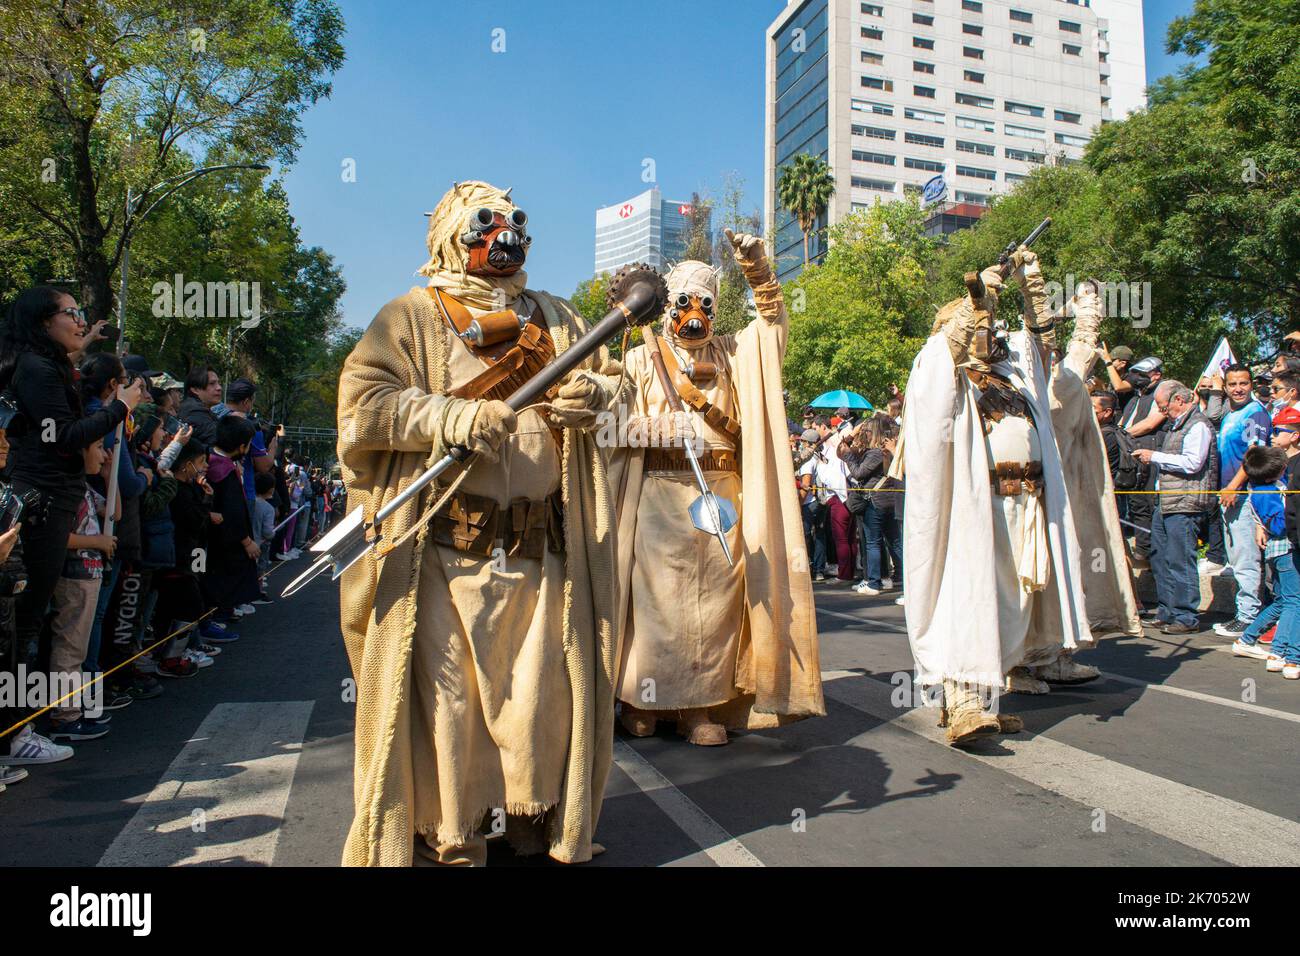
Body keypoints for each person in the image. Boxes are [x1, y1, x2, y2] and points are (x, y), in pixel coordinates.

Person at [334, 180, 622, 866]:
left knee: (539, 700)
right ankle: (454, 831)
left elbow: (615, 382)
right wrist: (446, 416)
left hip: (541, 555)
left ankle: (532, 819)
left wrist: (595, 394)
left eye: (514, 223)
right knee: (452, 704)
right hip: (445, 555)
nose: (505, 236)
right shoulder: (408, 315)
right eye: (484, 224)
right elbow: (361, 406)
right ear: (450, 238)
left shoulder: (556, 316)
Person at [610, 230, 822, 747]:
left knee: (715, 603)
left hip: (723, 492)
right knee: (657, 600)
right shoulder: (640, 357)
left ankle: (700, 709)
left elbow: (771, 332)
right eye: (684, 302)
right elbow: (607, 425)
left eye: (705, 303)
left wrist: (759, 272)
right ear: (668, 308)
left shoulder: (731, 353)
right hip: (660, 493)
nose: (694, 313)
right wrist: (651, 430)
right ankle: (644, 700)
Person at [897, 248, 1091, 745]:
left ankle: (985, 698)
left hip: (1024, 505)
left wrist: (1033, 285)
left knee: (1012, 604)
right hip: (971, 511)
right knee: (970, 598)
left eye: (988, 321)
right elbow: (944, 358)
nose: (985, 328)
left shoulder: (1015, 377)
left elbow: (1044, 351)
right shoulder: (941, 371)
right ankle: (961, 702)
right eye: (976, 320)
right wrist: (976, 301)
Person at [0, 287, 145, 769]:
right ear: (43, 322)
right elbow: (64, 437)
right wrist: (119, 407)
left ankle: (22, 726)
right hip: (42, 506)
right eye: (72, 314)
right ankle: (15, 733)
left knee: (33, 623)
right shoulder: (36, 370)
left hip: (54, 501)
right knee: (24, 627)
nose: (81, 321)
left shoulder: (45, 364)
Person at [1042, 280, 1142, 654]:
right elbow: (1084, 342)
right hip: (1047, 501)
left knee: (1057, 579)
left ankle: (1047, 655)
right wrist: (1087, 302)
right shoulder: (1057, 386)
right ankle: (1047, 655)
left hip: (1054, 498)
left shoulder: (1050, 385)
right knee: (1057, 579)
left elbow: (1082, 345)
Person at [1132, 381, 1218, 634]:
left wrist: (1154, 456)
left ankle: (1186, 616)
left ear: (1179, 400)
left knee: (1181, 560)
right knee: (1161, 557)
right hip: (1167, 500)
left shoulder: (1198, 425)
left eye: (1163, 406)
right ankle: (1167, 610)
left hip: (1185, 503)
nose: (1162, 412)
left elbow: (1193, 463)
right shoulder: (1177, 425)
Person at [46, 437, 113, 742]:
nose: (103, 453)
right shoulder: (66, 488)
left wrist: (110, 475)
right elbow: (58, 536)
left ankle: (79, 706)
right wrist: (96, 542)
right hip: (74, 573)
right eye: (98, 447)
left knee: (79, 648)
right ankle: (65, 717)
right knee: (69, 648)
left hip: (91, 572)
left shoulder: (86, 487)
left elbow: (114, 514)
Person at [1211, 364, 1273, 638]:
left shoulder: (1255, 413)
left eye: (1243, 384)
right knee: (1236, 557)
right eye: (1233, 384)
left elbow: (1254, 456)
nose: (1238, 389)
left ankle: (1249, 617)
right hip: (1229, 495)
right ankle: (1244, 612)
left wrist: (1234, 486)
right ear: (1225, 388)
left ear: (1251, 385)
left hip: (1245, 495)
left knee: (1246, 558)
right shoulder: (1230, 415)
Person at [1231, 445, 1300, 679]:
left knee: (1282, 601)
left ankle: (1247, 638)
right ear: (1278, 472)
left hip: (1274, 550)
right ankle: (1283, 654)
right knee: (1295, 602)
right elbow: (1280, 524)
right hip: (1284, 548)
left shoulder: (1260, 488)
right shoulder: (1268, 493)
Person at [841, 414, 902, 596]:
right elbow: (842, 450)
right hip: (889, 500)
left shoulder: (876, 452)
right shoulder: (886, 450)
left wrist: (849, 457)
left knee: (874, 542)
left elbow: (859, 473)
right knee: (895, 542)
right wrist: (852, 437)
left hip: (876, 501)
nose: (865, 433)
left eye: (867, 431)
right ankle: (902, 580)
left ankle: (874, 582)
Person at [179, 366, 221, 448]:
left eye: (219, 383)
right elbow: (221, 442)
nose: (219, 388)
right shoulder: (194, 412)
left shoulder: (200, 409)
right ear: (195, 389)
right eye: (212, 384)